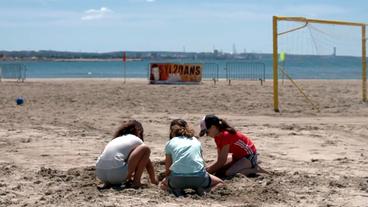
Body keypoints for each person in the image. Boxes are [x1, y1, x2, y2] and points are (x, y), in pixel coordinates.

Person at [160, 119, 223, 196]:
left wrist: (167, 178)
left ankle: (176, 190)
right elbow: (203, 164)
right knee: (220, 183)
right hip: (199, 178)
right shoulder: (196, 141)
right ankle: (205, 190)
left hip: (177, 180)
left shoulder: (170, 143)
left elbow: (167, 170)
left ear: (172, 131)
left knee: (162, 185)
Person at [199, 115, 268, 177]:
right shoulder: (217, 137)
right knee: (219, 170)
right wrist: (207, 170)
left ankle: (255, 169)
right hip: (237, 156)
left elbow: (221, 161)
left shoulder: (226, 135)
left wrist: (205, 173)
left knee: (229, 173)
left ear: (213, 127)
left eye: (207, 132)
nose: (207, 135)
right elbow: (220, 160)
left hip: (249, 156)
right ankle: (247, 166)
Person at [96, 120, 158, 188]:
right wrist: (153, 180)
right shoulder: (137, 140)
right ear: (139, 131)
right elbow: (148, 163)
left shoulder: (116, 139)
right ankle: (136, 182)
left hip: (100, 174)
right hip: (116, 175)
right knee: (145, 149)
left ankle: (110, 182)